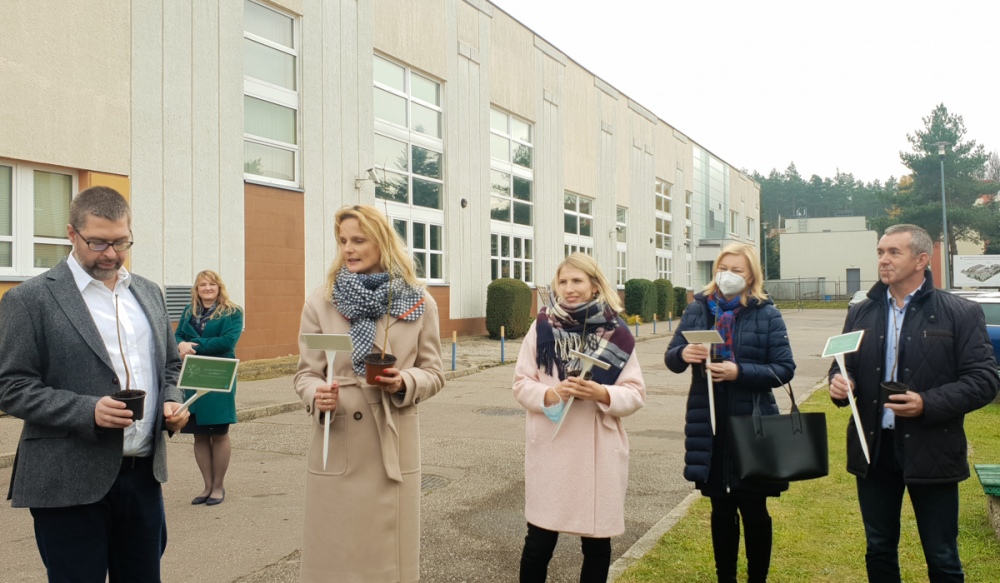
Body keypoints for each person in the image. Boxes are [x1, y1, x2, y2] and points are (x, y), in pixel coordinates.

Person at [0, 186, 189, 582]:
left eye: (121, 242)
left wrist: (172, 402)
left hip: (143, 477)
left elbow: (170, 366)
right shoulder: (29, 299)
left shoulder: (149, 293)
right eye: (98, 242)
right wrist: (88, 410)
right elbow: (11, 386)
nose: (111, 254)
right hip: (66, 480)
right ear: (72, 234)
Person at [828, 224, 999, 583]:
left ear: (922, 260)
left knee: (941, 555)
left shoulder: (960, 312)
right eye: (880, 252)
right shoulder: (861, 311)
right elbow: (843, 365)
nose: (883, 260)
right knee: (878, 547)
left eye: (894, 252)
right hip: (874, 448)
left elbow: (984, 381)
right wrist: (841, 383)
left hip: (932, 447)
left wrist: (927, 402)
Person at [294, 204, 444, 582]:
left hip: (390, 438)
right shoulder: (322, 300)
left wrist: (404, 381)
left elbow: (434, 372)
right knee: (336, 553)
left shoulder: (419, 302)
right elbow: (306, 374)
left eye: (358, 240)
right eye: (343, 240)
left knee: (384, 560)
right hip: (338, 437)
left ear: (381, 242)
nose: (348, 248)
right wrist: (316, 394)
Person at [664, 242, 795, 583]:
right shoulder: (698, 309)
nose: (728, 275)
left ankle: (756, 578)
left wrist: (740, 372)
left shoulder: (766, 313)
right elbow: (672, 357)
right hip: (709, 423)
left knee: (754, 508)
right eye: (723, 268)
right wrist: (684, 354)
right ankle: (726, 578)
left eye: (737, 270)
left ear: (751, 275)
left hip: (752, 424)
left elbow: (784, 368)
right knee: (720, 508)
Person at [512, 253, 646, 583]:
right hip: (551, 446)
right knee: (538, 544)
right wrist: (552, 393)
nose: (569, 288)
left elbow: (635, 393)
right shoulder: (541, 325)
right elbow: (521, 383)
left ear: (595, 285)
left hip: (598, 453)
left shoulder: (617, 332)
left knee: (597, 546)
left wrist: (602, 393)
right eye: (563, 281)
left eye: (577, 281)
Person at [175, 269, 244, 506]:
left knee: (219, 432)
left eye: (212, 284)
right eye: (203, 284)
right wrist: (180, 344)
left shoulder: (233, 311)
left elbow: (227, 342)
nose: (207, 288)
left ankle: (218, 487)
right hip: (193, 373)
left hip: (218, 373)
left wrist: (191, 345)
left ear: (219, 287)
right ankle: (206, 486)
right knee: (199, 434)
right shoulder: (189, 311)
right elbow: (177, 335)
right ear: (197, 288)